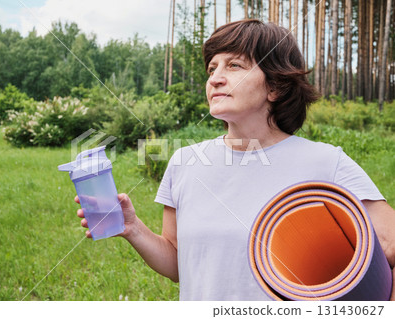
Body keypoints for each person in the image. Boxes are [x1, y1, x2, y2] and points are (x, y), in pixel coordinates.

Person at [75, 19, 395, 300]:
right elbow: (178, 264)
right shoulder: (184, 162)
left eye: (235, 66)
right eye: (212, 68)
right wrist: (133, 229)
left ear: (275, 86)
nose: (215, 78)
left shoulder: (327, 163)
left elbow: (389, 244)